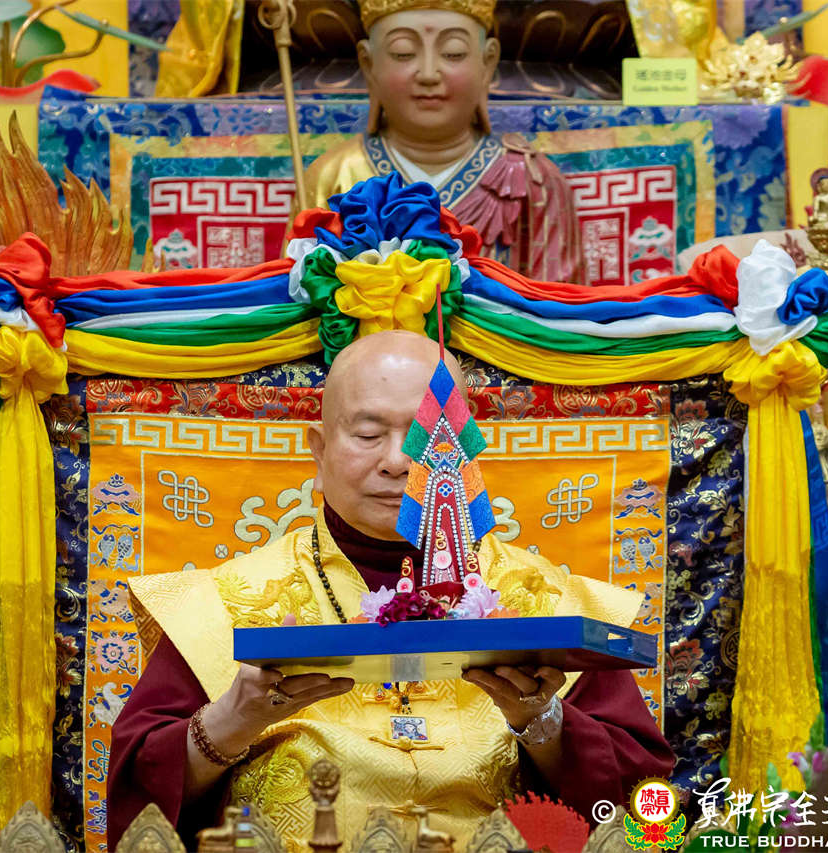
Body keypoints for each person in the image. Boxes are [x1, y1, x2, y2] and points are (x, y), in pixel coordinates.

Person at [107, 330, 673, 851]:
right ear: (318, 450)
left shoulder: (544, 602)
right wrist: (234, 720)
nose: (399, 461)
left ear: (467, 451)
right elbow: (137, 804)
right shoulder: (226, 603)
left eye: (428, 436)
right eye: (368, 434)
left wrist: (543, 723)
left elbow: (649, 812)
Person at [297, 0, 583, 283]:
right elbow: (297, 292)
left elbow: (559, 302)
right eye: (403, 53)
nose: (429, 74)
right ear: (368, 64)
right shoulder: (333, 176)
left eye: (453, 53)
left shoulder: (531, 181)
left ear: (488, 62)